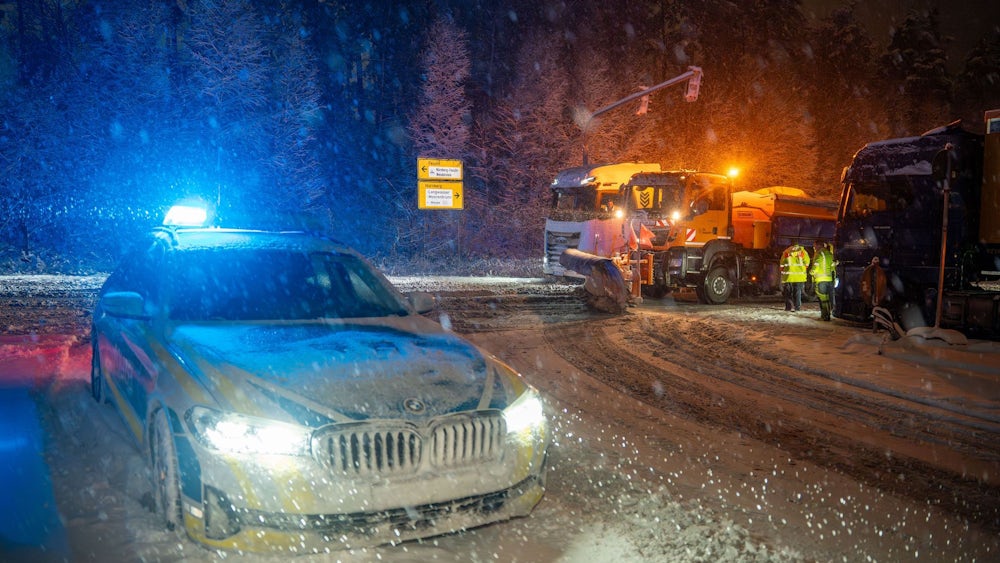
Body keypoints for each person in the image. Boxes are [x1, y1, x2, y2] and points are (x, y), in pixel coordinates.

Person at [809, 241, 836, 321]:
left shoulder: (819, 254)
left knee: (822, 299)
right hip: (829, 279)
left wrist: (811, 272)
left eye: (814, 246)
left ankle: (825, 316)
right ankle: (827, 315)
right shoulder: (829, 254)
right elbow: (832, 267)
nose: (814, 248)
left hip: (821, 279)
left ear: (818, 245)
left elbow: (816, 265)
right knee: (826, 298)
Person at [780, 242, 810, 312]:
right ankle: (797, 307)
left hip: (788, 276)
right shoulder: (803, 252)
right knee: (797, 292)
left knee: (788, 292)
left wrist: (783, 271)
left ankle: (788, 307)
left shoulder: (786, 252)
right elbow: (807, 263)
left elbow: (782, 264)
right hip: (799, 276)